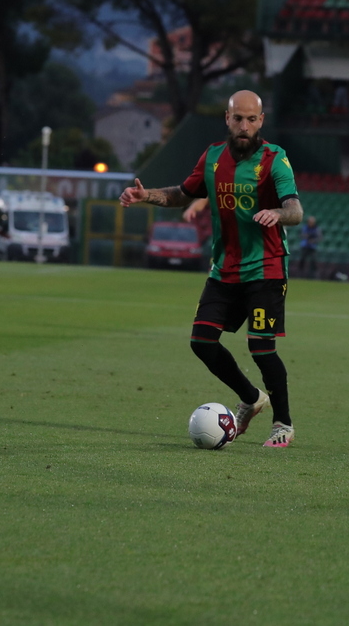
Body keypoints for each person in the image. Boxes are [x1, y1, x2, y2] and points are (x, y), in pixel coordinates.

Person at [119, 90, 303, 448]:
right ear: (227, 119)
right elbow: (183, 194)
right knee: (201, 342)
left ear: (261, 121)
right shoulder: (213, 157)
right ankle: (251, 398)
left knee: (261, 348)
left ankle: (283, 424)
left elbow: (295, 209)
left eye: (252, 119)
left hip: (266, 268)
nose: (245, 126)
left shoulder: (274, 159)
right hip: (224, 269)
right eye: (238, 119)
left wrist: (278, 213)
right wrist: (146, 196)